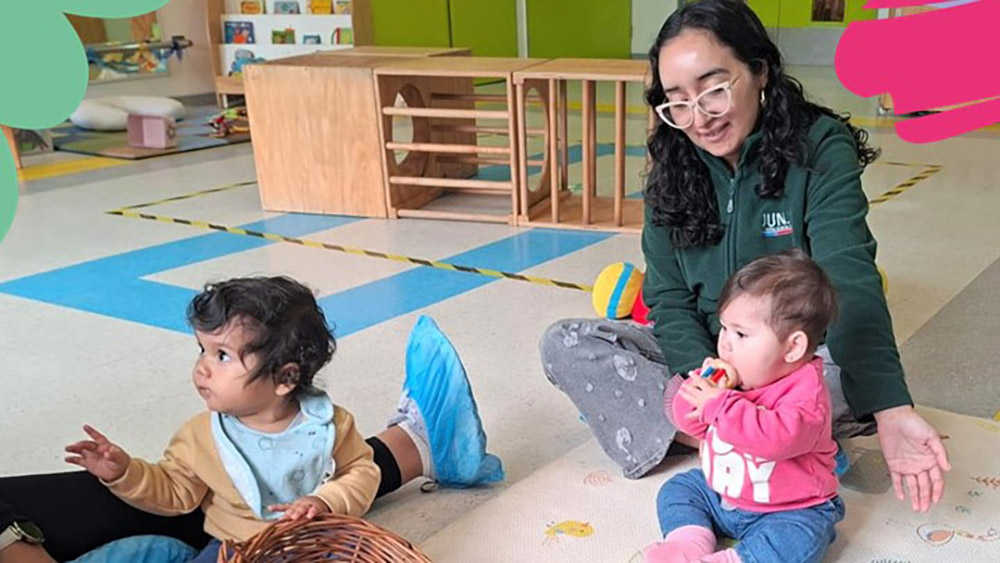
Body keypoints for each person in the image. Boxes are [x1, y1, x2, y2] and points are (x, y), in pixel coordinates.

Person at [540, 0, 949, 513]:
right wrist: (706, 374)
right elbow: (666, 297)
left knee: (839, 377)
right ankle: (767, 444)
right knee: (569, 344)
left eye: (714, 89)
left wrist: (891, 407)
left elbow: (848, 275)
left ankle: (748, 435)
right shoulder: (671, 162)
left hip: (791, 367)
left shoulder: (819, 147)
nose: (700, 118)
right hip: (710, 365)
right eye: (678, 103)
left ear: (760, 71)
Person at [0, 277, 502, 562]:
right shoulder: (200, 434)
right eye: (202, 349)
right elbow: (176, 495)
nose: (201, 367)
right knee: (151, 547)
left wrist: (325, 500)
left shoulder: (328, 423)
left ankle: (427, 445)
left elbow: (361, 471)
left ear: (285, 379)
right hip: (230, 550)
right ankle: (425, 442)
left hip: (307, 546)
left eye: (220, 355)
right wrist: (126, 473)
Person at [645, 250, 843, 563]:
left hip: (788, 509)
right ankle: (687, 543)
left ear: (793, 347)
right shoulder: (735, 377)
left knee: (799, 540)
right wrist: (696, 393)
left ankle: (737, 559)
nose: (725, 343)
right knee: (679, 489)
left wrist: (720, 406)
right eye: (724, 328)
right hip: (724, 495)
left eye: (740, 334)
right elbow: (691, 423)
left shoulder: (807, 396)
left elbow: (775, 440)